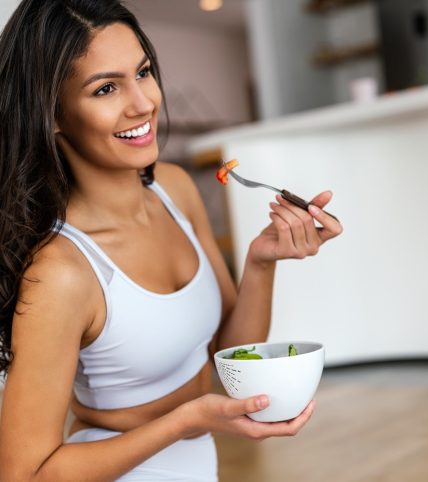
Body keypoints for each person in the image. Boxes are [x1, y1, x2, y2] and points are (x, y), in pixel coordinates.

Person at [0, 1, 343, 480]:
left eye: (142, 72)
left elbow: (230, 356)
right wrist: (186, 419)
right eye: (105, 88)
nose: (142, 103)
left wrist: (261, 262)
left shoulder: (176, 189)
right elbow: (26, 473)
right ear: (52, 113)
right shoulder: (60, 271)